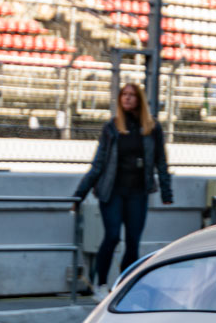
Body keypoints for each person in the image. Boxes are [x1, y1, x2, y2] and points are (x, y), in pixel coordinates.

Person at [74, 82, 173, 300]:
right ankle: (100, 285)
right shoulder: (112, 127)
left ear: (139, 99)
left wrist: (167, 193)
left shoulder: (152, 128)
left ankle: (123, 287)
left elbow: (161, 162)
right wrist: (79, 193)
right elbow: (98, 163)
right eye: (124, 95)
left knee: (133, 241)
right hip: (112, 191)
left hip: (138, 192)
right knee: (111, 236)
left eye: (132, 95)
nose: (127, 98)